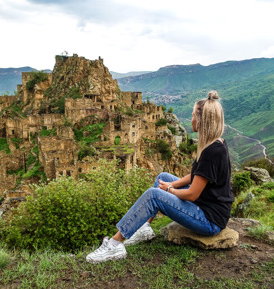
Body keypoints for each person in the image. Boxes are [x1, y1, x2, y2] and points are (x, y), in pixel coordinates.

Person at [86, 90, 234, 263]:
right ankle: (144, 228)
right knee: (162, 176)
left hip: (209, 219)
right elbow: (196, 175)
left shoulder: (212, 151)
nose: (192, 119)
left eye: (194, 115)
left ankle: (114, 244)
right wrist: (171, 184)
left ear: (202, 121)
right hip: (206, 204)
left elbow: (192, 194)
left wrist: (169, 190)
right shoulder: (215, 143)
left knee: (153, 195)